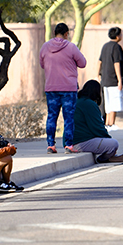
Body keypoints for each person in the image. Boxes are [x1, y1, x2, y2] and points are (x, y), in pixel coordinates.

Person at [40, 22, 86, 153]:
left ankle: (50, 145)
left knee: (52, 116)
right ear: (66, 34)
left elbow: (42, 64)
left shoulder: (45, 47)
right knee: (69, 117)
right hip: (69, 89)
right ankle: (68, 145)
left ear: (54, 33)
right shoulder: (71, 47)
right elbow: (82, 63)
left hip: (51, 87)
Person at [69, 81, 123, 163]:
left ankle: (108, 155)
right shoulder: (89, 104)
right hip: (80, 143)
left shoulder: (76, 102)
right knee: (113, 144)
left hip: (70, 143)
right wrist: (107, 138)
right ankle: (103, 158)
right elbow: (97, 127)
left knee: (105, 142)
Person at [98, 27, 123, 128]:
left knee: (108, 103)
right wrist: (119, 80)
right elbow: (116, 63)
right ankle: (111, 123)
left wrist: (98, 74)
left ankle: (107, 123)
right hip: (114, 79)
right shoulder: (116, 47)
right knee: (114, 102)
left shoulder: (105, 46)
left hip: (105, 79)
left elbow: (100, 61)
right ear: (117, 36)